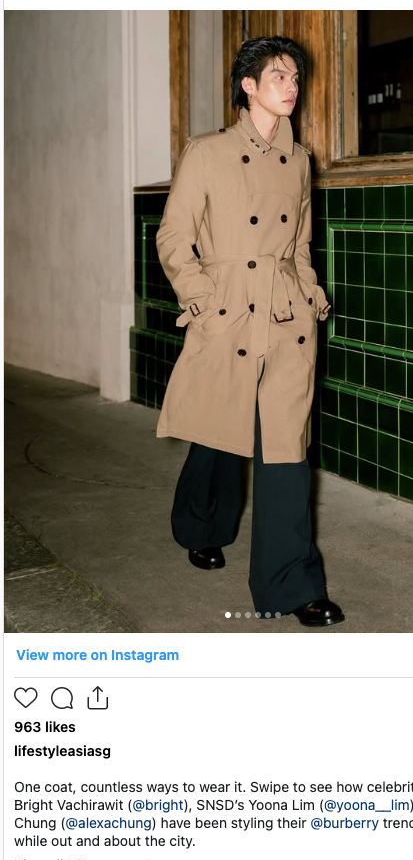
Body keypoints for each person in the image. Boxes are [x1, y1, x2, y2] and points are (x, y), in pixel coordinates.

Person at [155, 35, 345, 628]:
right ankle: (201, 525)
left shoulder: (301, 160)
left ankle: (292, 584)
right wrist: (201, 296)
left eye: (296, 78)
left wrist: (310, 294)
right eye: (280, 76)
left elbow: (301, 245)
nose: (292, 87)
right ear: (248, 85)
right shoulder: (207, 152)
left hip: (286, 316)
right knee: (219, 431)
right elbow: (173, 236)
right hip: (228, 308)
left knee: (286, 447)